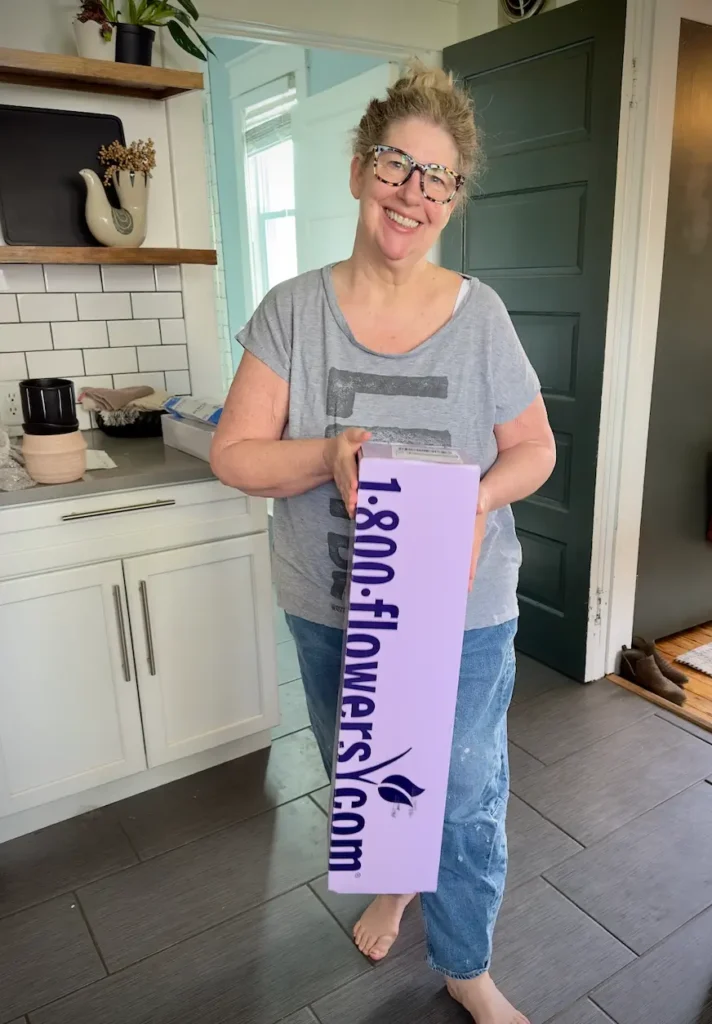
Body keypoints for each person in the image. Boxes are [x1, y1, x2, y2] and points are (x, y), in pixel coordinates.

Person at [211, 63, 556, 1024]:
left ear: (452, 199)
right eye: (398, 166)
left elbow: (535, 448)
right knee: (369, 778)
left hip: (463, 608)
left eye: (437, 178)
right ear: (362, 170)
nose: (414, 193)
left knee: (465, 795)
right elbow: (235, 457)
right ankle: (398, 883)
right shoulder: (292, 311)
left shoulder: (479, 316)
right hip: (333, 607)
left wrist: (477, 502)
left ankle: (464, 963)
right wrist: (325, 454)